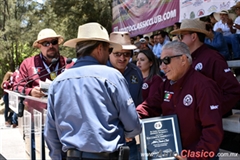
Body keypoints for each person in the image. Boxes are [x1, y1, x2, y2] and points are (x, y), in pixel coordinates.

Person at [44, 22, 142, 160]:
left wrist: (57, 157)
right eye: (109, 50)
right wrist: (129, 132)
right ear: (100, 48)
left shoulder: (58, 82)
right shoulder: (112, 77)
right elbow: (133, 125)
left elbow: (50, 132)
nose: (109, 54)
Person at [137, 41, 223, 160]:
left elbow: (212, 131)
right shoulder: (166, 84)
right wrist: (132, 118)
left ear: (183, 59)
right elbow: (150, 106)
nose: (162, 66)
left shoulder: (204, 86)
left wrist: (194, 157)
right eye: (161, 62)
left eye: (166, 60)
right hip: (172, 154)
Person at [170, 18, 240, 117]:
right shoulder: (188, 59)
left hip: (212, 123)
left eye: (181, 36)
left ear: (193, 36)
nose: (179, 40)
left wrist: (212, 111)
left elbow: (233, 90)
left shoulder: (212, 58)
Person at [108, 31, 143, 160]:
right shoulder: (99, 72)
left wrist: (131, 130)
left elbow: (138, 104)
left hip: (130, 141)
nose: (122, 58)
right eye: (117, 54)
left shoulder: (136, 72)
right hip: (107, 141)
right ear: (108, 52)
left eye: (126, 54)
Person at [13, 28, 71, 97]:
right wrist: (30, 91)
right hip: (37, 107)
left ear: (58, 44)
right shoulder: (28, 64)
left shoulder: (69, 64)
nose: (51, 46)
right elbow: (17, 86)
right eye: (46, 43)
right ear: (39, 46)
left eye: (54, 42)